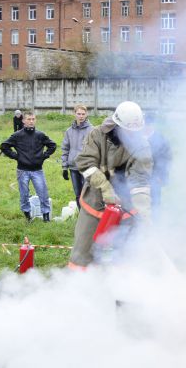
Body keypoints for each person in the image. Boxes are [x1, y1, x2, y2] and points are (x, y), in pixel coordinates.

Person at [68, 101, 152, 270]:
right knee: (84, 249)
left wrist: (144, 209)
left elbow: (140, 180)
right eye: (128, 131)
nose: (132, 135)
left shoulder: (142, 144)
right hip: (95, 199)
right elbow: (85, 163)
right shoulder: (97, 135)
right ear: (118, 126)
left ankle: (122, 287)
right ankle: (79, 285)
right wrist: (106, 188)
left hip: (127, 203)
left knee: (129, 251)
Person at [0, 112, 57, 222]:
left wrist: (44, 156)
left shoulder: (40, 135)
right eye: (29, 119)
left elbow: (52, 145)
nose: (31, 121)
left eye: (33, 119)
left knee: (43, 193)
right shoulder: (17, 135)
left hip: (37, 170)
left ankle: (46, 217)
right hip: (22, 171)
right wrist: (16, 157)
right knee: (24, 195)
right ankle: (27, 216)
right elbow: (4, 146)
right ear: (23, 121)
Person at [61, 104, 93, 209]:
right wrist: (64, 167)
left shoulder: (92, 130)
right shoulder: (69, 131)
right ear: (74, 114)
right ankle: (80, 218)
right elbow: (65, 149)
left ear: (86, 114)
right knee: (78, 194)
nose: (81, 116)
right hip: (73, 168)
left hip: (86, 168)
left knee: (87, 195)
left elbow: (96, 149)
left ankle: (88, 218)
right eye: (79, 114)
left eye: (83, 114)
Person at [145, 114, 172, 212]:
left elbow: (166, 159)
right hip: (139, 177)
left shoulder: (161, 140)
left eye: (149, 124)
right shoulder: (137, 138)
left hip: (155, 177)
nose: (147, 127)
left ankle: (155, 223)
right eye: (145, 124)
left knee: (154, 203)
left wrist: (162, 176)